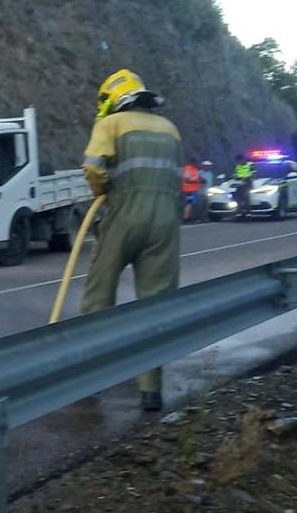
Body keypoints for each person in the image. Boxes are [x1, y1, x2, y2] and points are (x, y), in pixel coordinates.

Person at [81, 68, 183, 412]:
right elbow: (178, 178)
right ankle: (151, 391)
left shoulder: (111, 124)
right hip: (165, 221)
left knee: (98, 299)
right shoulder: (171, 129)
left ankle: (90, 381)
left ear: (114, 98)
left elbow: (94, 167)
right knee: (155, 305)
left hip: (124, 213)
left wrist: (103, 191)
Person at [233, 153, 255, 217]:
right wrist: (236, 177)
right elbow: (235, 174)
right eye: (238, 161)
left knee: (246, 197)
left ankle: (248, 212)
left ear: (243, 159)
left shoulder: (250, 165)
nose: (239, 162)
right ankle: (239, 211)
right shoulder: (238, 166)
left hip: (247, 183)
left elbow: (253, 173)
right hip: (239, 183)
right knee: (238, 198)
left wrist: (246, 178)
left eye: (240, 160)